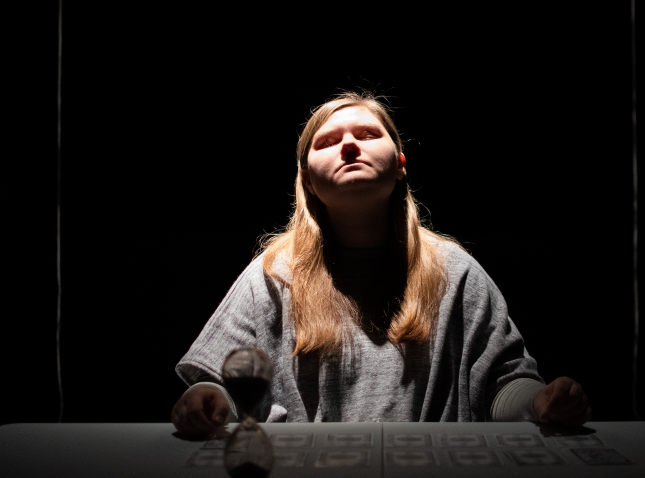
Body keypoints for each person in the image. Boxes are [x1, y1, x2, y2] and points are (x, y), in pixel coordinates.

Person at [171, 92, 592, 436]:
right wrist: (206, 400)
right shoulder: (273, 274)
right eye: (327, 141)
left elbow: (503, 385)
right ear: (308, 180)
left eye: (368, 134)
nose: (349, 146)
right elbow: (219, 385)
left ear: (401, 165)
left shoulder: (454, 271)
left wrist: (540, 402)